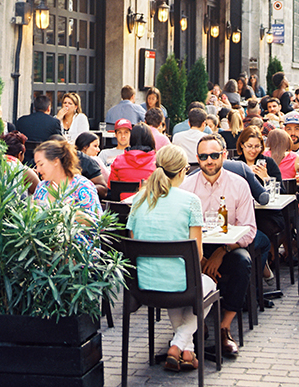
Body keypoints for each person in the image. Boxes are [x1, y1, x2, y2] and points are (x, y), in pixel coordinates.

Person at [127, 144, 216, 372]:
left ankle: (188, 351)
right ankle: (178, 344)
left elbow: (134, 243)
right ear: (182, 172)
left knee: (174, 281)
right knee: (207, 284)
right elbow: (197, 255)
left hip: (143, 286)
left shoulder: (137, 201)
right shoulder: (190, 201)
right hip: (180, 285)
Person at [181, 133, 256, 357]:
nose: (209, 160)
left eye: (214, 155)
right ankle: (195, 325)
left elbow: (249, 229)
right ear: (197, 158)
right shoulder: (187, 186)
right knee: (182, 265)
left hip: (227, 247)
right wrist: (201, 257)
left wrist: (221, 253)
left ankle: (225, 327)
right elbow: (180, 228)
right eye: (204, 156)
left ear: (224, 155)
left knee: (243, 263)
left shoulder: (239, 184)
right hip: (195, 249)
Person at [32, 138, 101, 221]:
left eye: (41, 164)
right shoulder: (42, 187)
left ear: (55, 161)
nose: (38, 170)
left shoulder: (82, 186)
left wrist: (67, 210)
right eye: (37, 165)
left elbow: (97, 223)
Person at [107, 123, 156, 189]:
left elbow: (111, 186)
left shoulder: (118, 160)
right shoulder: (157, 162)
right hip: (148, 198)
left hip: (123, 198)